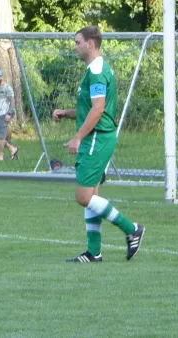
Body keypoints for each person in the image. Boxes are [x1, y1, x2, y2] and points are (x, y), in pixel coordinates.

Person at [53, 25, 145, 262]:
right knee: (92, 195)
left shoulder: (96, 72)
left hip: (96, 138)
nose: (75, 47)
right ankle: (94, 252)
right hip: (97, 136)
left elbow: (98, 109)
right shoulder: (95, 69)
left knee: (83, 197)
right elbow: (89, 110)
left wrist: (77, 137)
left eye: (77, 42)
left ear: (90, 44)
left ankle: (131, 228)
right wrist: (67, 112)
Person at [0, 68, 19, 161]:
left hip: (4, 114)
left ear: (1, 77)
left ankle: (0, 157)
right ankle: (12, 148)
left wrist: (9, 113)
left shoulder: (7, 87)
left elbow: (12, 101)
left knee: (1, 136)